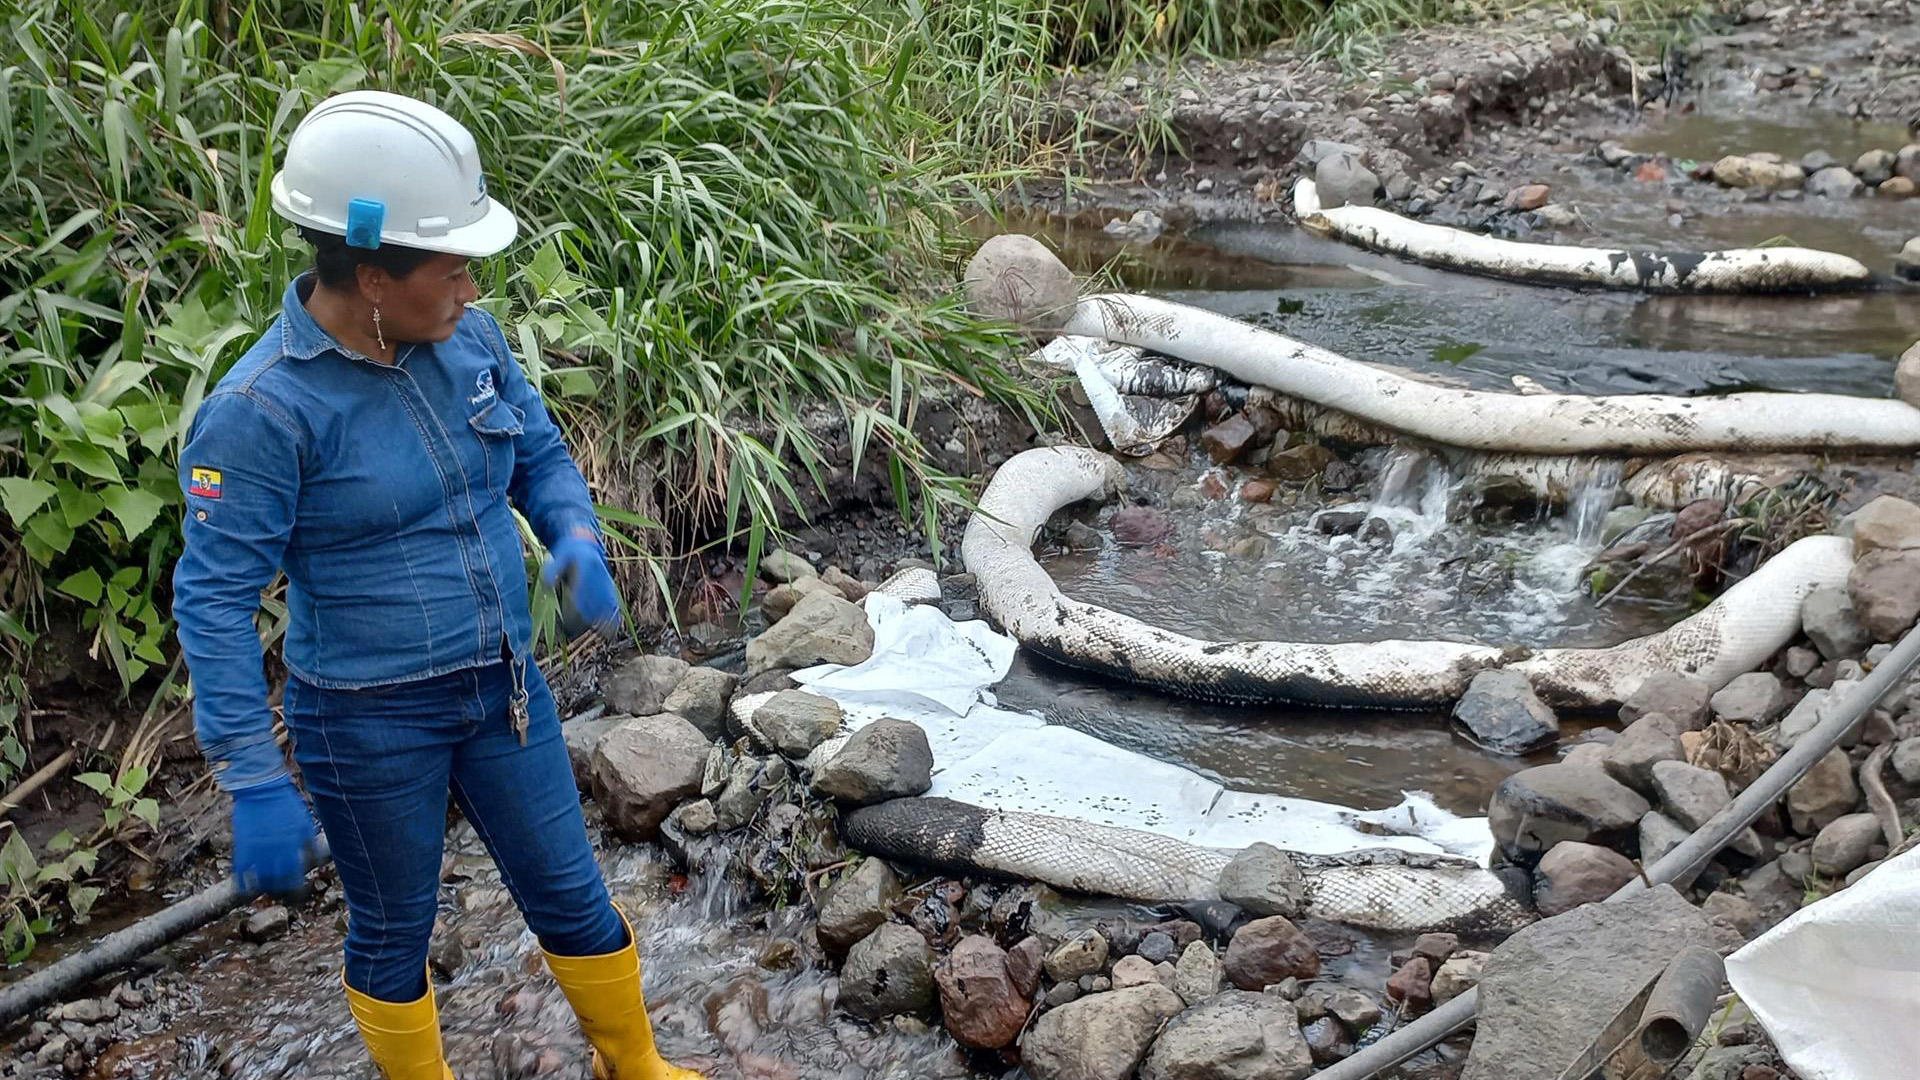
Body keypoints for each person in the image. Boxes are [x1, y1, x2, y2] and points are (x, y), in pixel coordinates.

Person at [171, 89, 705, 1080]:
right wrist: (251, 775)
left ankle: (635, 1066)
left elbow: (539, 455)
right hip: (367, 721)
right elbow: (211, 602)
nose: (470, 286)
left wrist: (573, 532)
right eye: (451, 267)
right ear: (373, 274)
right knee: (394, 930)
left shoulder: (471, 343)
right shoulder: (261, 414)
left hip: (502, 689)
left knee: (573, 894)